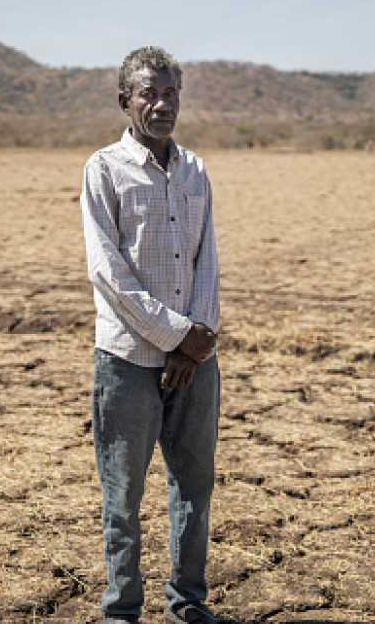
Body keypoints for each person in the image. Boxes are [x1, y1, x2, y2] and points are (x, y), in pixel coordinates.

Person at [80, 46, 228, 624]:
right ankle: (123, 610)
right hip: (127, 360)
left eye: (170, 94)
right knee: (123, 496)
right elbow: (106, 271)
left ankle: (187, 604)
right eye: (149, 94)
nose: (162, 104)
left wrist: (198, 343)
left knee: (194, 485)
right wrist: (175, 337)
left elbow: (207, 261)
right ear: (126, 102)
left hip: (195, 360)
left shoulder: (195, 169)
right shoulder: (104, 168)